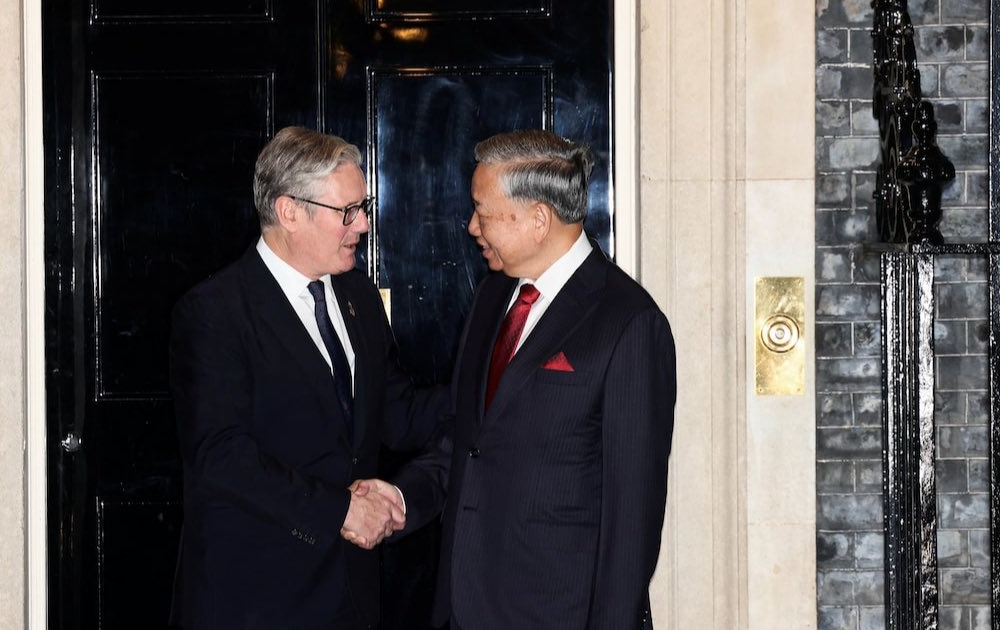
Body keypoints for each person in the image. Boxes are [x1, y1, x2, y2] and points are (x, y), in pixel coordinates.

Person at [352, 129, 677, 629]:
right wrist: (399, 498)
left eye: (482, 211)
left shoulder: (628, 322)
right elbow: (465, 441)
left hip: (557, 614)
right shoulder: (490, 300)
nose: (470, 226)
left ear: (538, 219)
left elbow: (631, 521)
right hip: (463, 608)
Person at [169, 126, 444, 630]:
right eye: (348, 211)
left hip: (350, 593)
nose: (362, 225)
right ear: (289, 211)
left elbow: (396, 413)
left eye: (364, 206)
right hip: (256, 597)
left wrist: (496, 387)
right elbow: (221, 457)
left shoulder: (357, 294)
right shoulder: (216, 312)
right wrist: (340, 511)